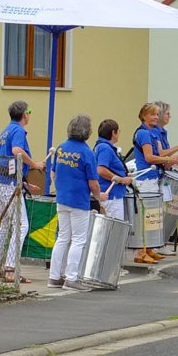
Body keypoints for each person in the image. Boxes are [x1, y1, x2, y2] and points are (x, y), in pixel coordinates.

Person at [48, 115, 108, 292]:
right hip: (79, 200)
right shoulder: (87, 152)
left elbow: (53, 174)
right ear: (87, 132)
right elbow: (93, 183)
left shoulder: (61, 148)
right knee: (79, 240)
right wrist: (99, 197)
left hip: (62, 198)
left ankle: (54, 276)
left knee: (63, 237)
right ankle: (72, 278)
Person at [0, 100, 45, 283]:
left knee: (5, 223)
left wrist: (24, 183)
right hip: (7, 183)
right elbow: (16, 151)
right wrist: (35, 164)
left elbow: (7, 160)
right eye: (29, 111)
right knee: (21, 225)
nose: (29, 114)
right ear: (24, 114)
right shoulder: (18, 131)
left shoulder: (5, 130)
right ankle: (11, 269)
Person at [132, 103, 178, 264]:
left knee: (152, 215)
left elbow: (159, 154)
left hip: (152, 177)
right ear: (144, 116)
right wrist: (169, 159)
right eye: (152, 114)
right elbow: (149, 157)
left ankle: (148, 248)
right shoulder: (144, 134)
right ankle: (140, 251)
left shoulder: (150, 133)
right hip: (146, 178)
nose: (156, 117)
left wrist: (171, 157)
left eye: (156, 114)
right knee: (146, 215)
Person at [94, 119, 132, 221]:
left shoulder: (101, 146)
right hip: (111, 196)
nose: (119, 134)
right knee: (115, 231)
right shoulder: (105, 148)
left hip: (111, 194)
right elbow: (101, 170)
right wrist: (122, 180)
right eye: (118, 131)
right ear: (113, 133)